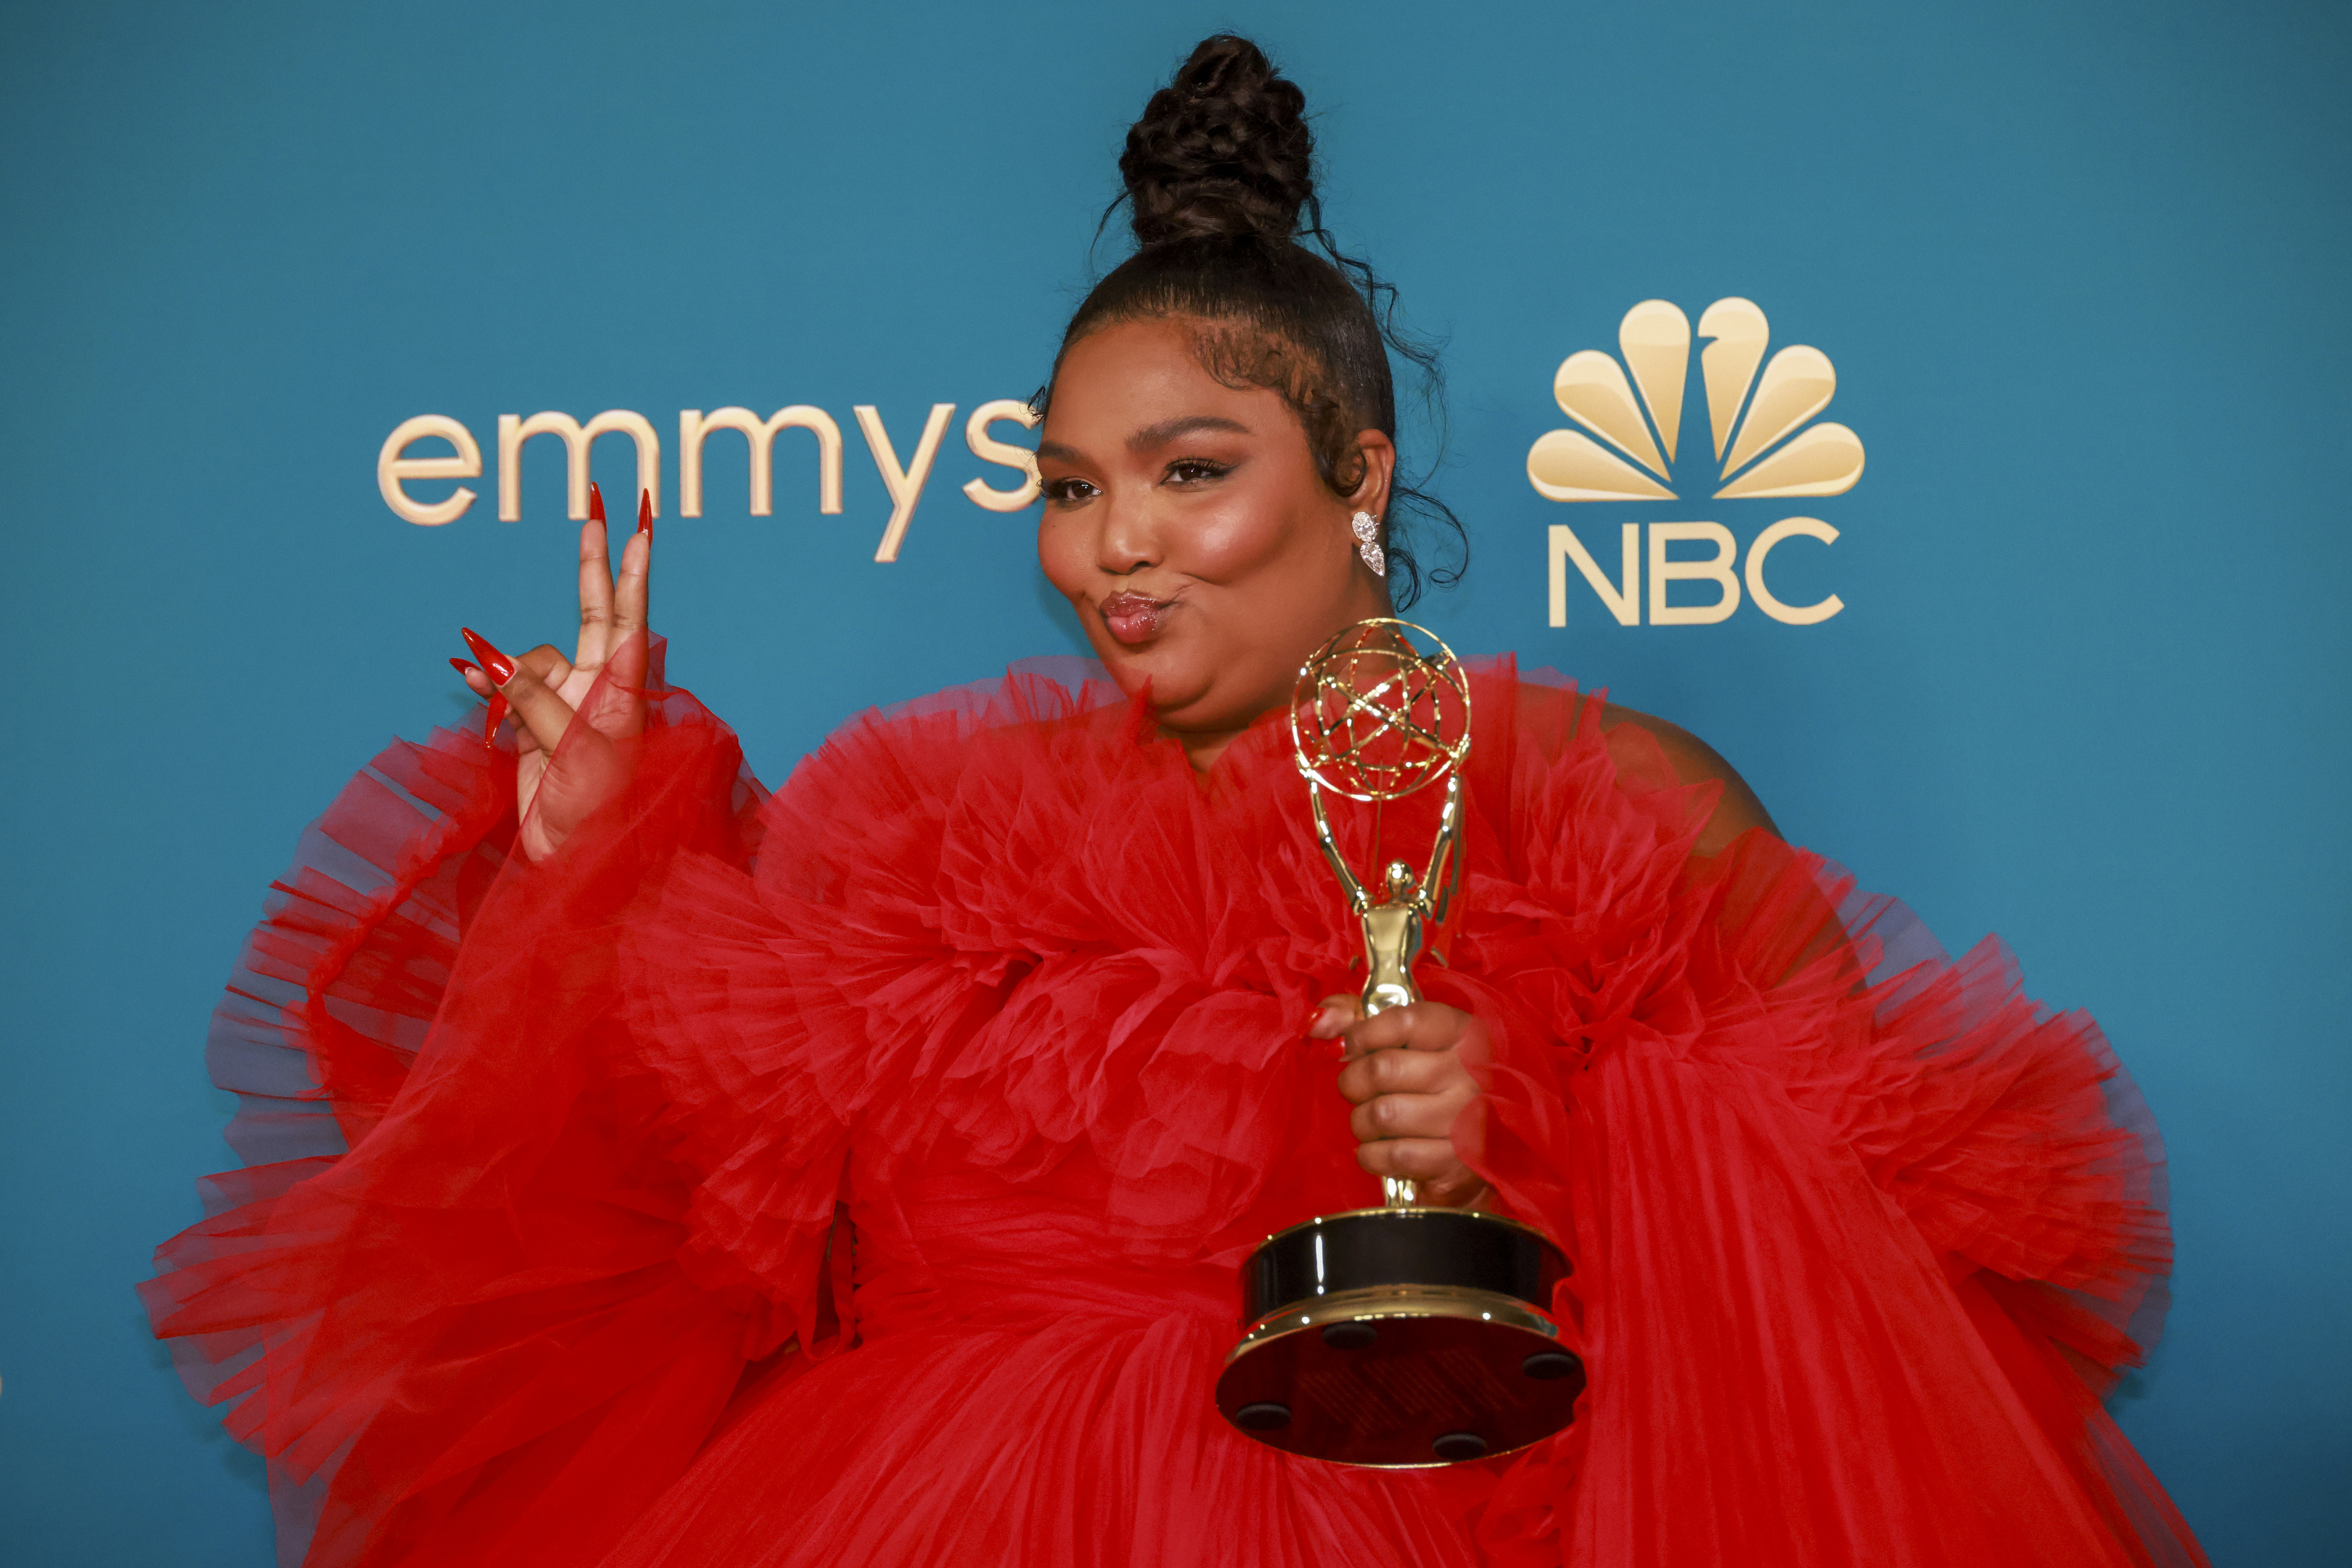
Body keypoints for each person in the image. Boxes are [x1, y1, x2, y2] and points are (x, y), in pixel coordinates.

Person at [144, 34, 2207, 1568]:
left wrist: (1529, 1134)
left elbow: (1844, 1293)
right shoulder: (909, 843)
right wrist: (596, 846)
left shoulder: (1604, 796)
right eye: (1067, 486)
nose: (1111, 549)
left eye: (1188, 470)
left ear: (1359, 473)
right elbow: (671, 1249)